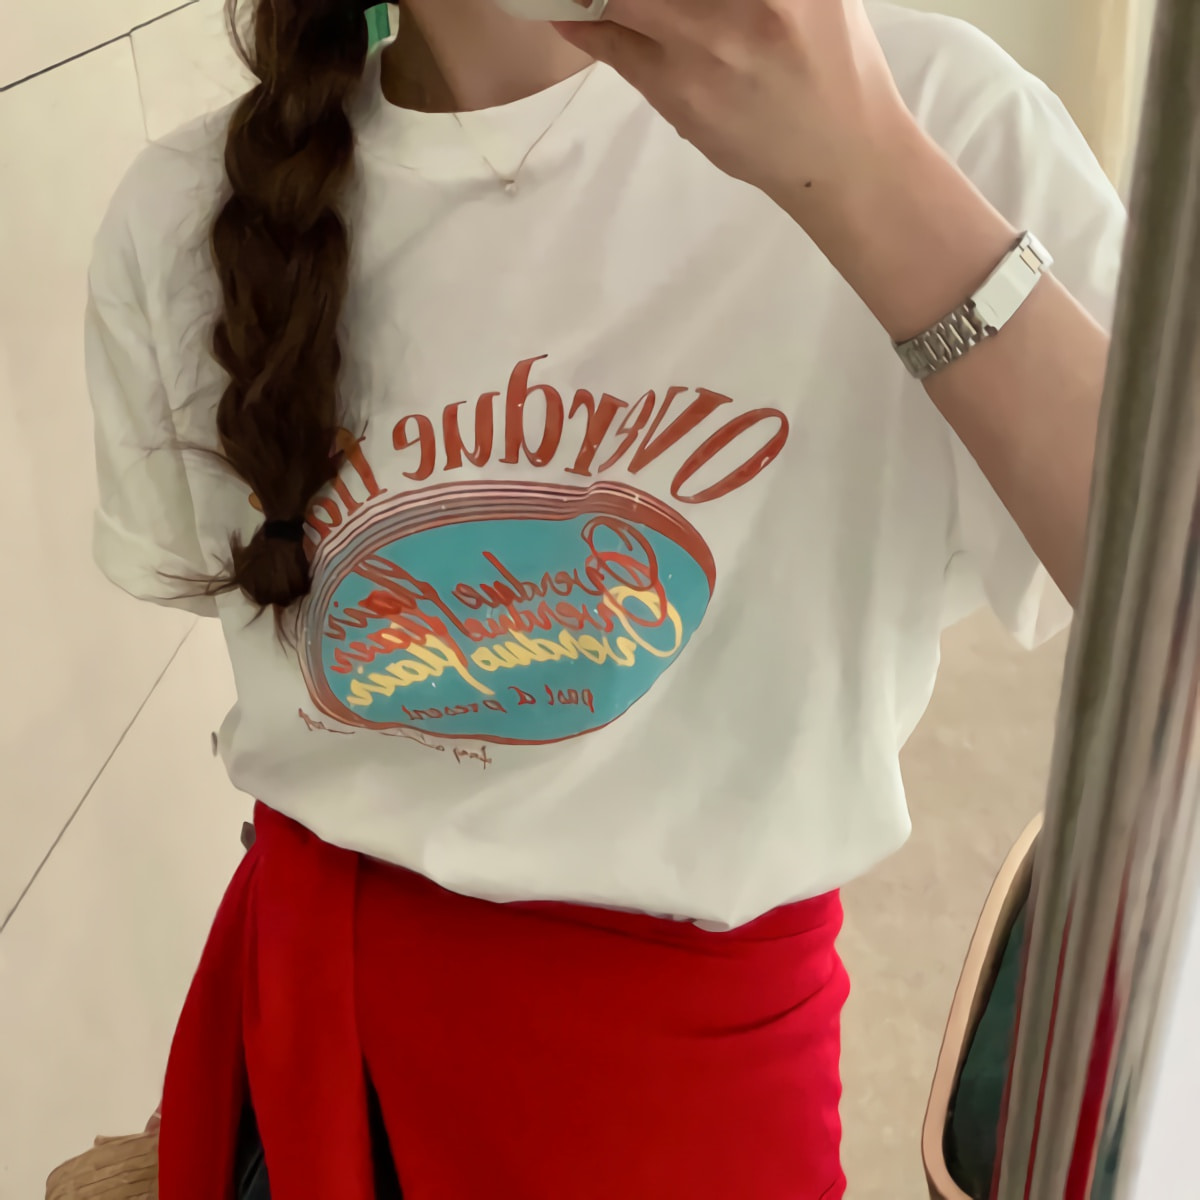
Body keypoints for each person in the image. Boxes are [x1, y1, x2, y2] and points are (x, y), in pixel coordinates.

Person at [84, 0, 1125, 1196]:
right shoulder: (185, 216)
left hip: (683, 1105)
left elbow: (1168, 629)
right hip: (312, 1074)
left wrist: (864, 174)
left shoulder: (937, 115)